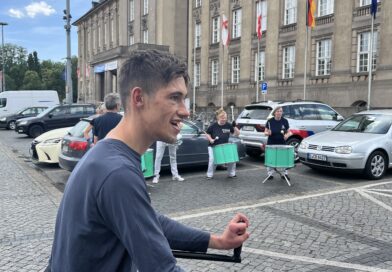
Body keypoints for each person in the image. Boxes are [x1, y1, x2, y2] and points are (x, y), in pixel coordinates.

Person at [47, 49, 249, 271]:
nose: (185, 111)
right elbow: (161, 268)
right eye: (174, 98)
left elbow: (151, 223)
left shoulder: (106, 157)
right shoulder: (117, 173)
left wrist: (217, 241)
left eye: (184, 99)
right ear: (138, 98)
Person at [205, 108, 240, 179]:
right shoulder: (213, 126)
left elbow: (237, 134)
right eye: (222, 118)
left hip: (224, 146)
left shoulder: (228, 125)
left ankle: (231, 174)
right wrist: (211, 139)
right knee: (212, 160)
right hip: (213, 146)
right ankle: (209, 175)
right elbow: (207, 134)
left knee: (232, 159)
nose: (224, 119)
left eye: (225, 118)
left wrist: (235, 127)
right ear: (218, 118)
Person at [264, 106, 292, 180]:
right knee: (271, 158)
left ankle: (284, 174)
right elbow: (265, 132)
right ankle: (270, 174)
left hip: (282, 142)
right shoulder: (270, 121)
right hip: (271, 142)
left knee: (283, 158)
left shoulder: (285, 121)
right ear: (274, 113)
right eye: (278, 111)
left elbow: (289, 132)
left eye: (281, 111)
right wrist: (268, 133)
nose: (279, 113)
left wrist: (287, 135)